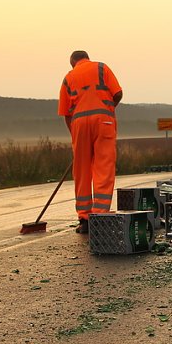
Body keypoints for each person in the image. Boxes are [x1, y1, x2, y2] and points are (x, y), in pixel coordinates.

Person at [57, 51, 123, 233]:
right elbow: (118, 93)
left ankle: (84, 218)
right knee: (104, 166)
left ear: (73, 63)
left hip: (79, 124)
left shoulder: (69, 77)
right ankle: (100, 215)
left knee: (82, 170)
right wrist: (107, 107)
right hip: (103, 121)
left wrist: (75, 137)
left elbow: (66, 113)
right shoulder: (101, 67)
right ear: (87, 57)